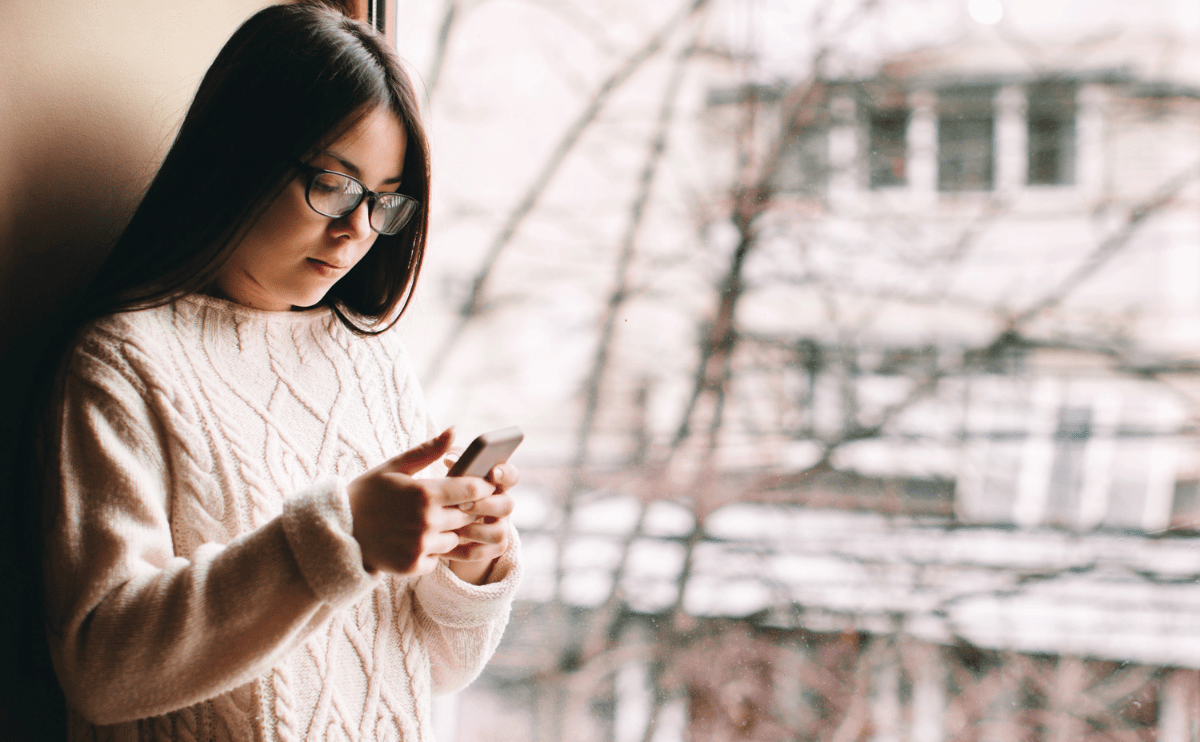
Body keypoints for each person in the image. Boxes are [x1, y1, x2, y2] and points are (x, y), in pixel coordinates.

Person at [37, 4, 521, 740]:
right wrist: (343, 539)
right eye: (334, 184)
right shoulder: (124, 362)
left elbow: (426, 668)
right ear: (242, 157)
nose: (358, 228)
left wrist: (471, 569)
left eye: (384, 201)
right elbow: (103, 667)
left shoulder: (370, 361)